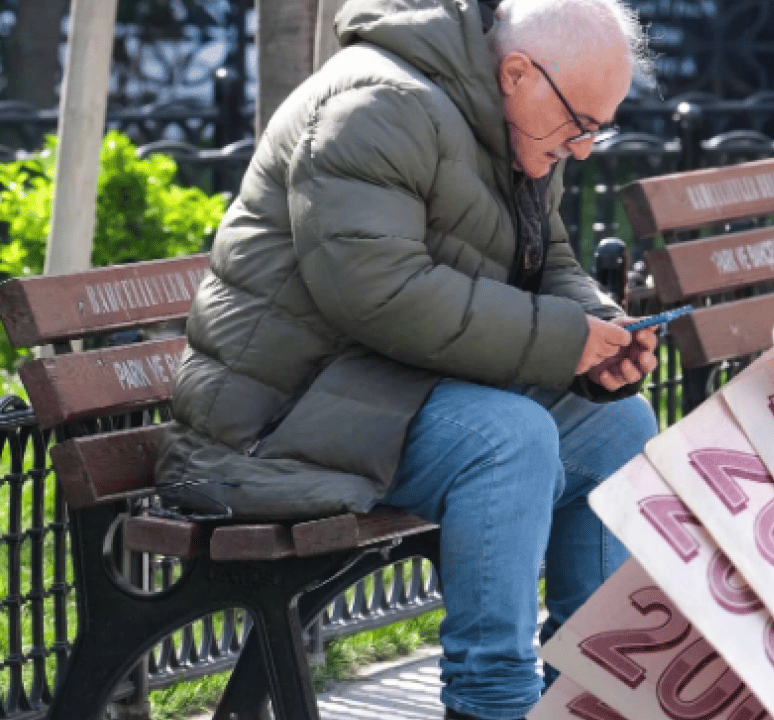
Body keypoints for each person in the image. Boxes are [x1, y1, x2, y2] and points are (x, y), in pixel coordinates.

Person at [155, 1, 659, 718]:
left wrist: (598, 329)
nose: (582, 148)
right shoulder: (376, 106)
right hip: (274, 423)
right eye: (581, 123)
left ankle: (592, 695)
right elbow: (379, 291)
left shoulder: (512, 123)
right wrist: (559, 337)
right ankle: (492, 704)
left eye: (598, 131)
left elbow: (551, 265)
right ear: (517, 72)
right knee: (508, 439)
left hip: (381, 396)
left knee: (620, 426)